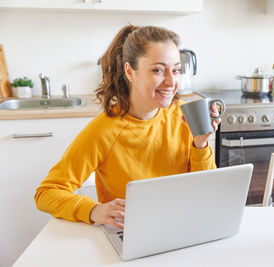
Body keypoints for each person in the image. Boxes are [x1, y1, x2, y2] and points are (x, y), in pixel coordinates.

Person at [35, 24, 220, 230]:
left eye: (176, 70)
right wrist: (94, 210)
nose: (171, 82)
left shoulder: (186, 116)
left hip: (183, 224)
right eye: (158, 70)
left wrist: (201, 144)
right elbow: (47, 192)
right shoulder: (104, 131)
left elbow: (206, 190)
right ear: (130, 72)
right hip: (132, 231)